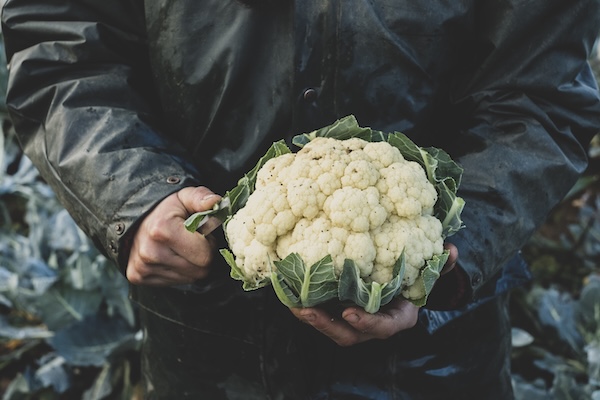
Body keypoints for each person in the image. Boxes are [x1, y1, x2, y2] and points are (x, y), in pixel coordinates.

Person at [2, 1, 600, 398]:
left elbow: (540, 94)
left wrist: (445, 257)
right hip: (209, 347)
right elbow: (61, 44)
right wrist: (131, 194)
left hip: (434, 356)